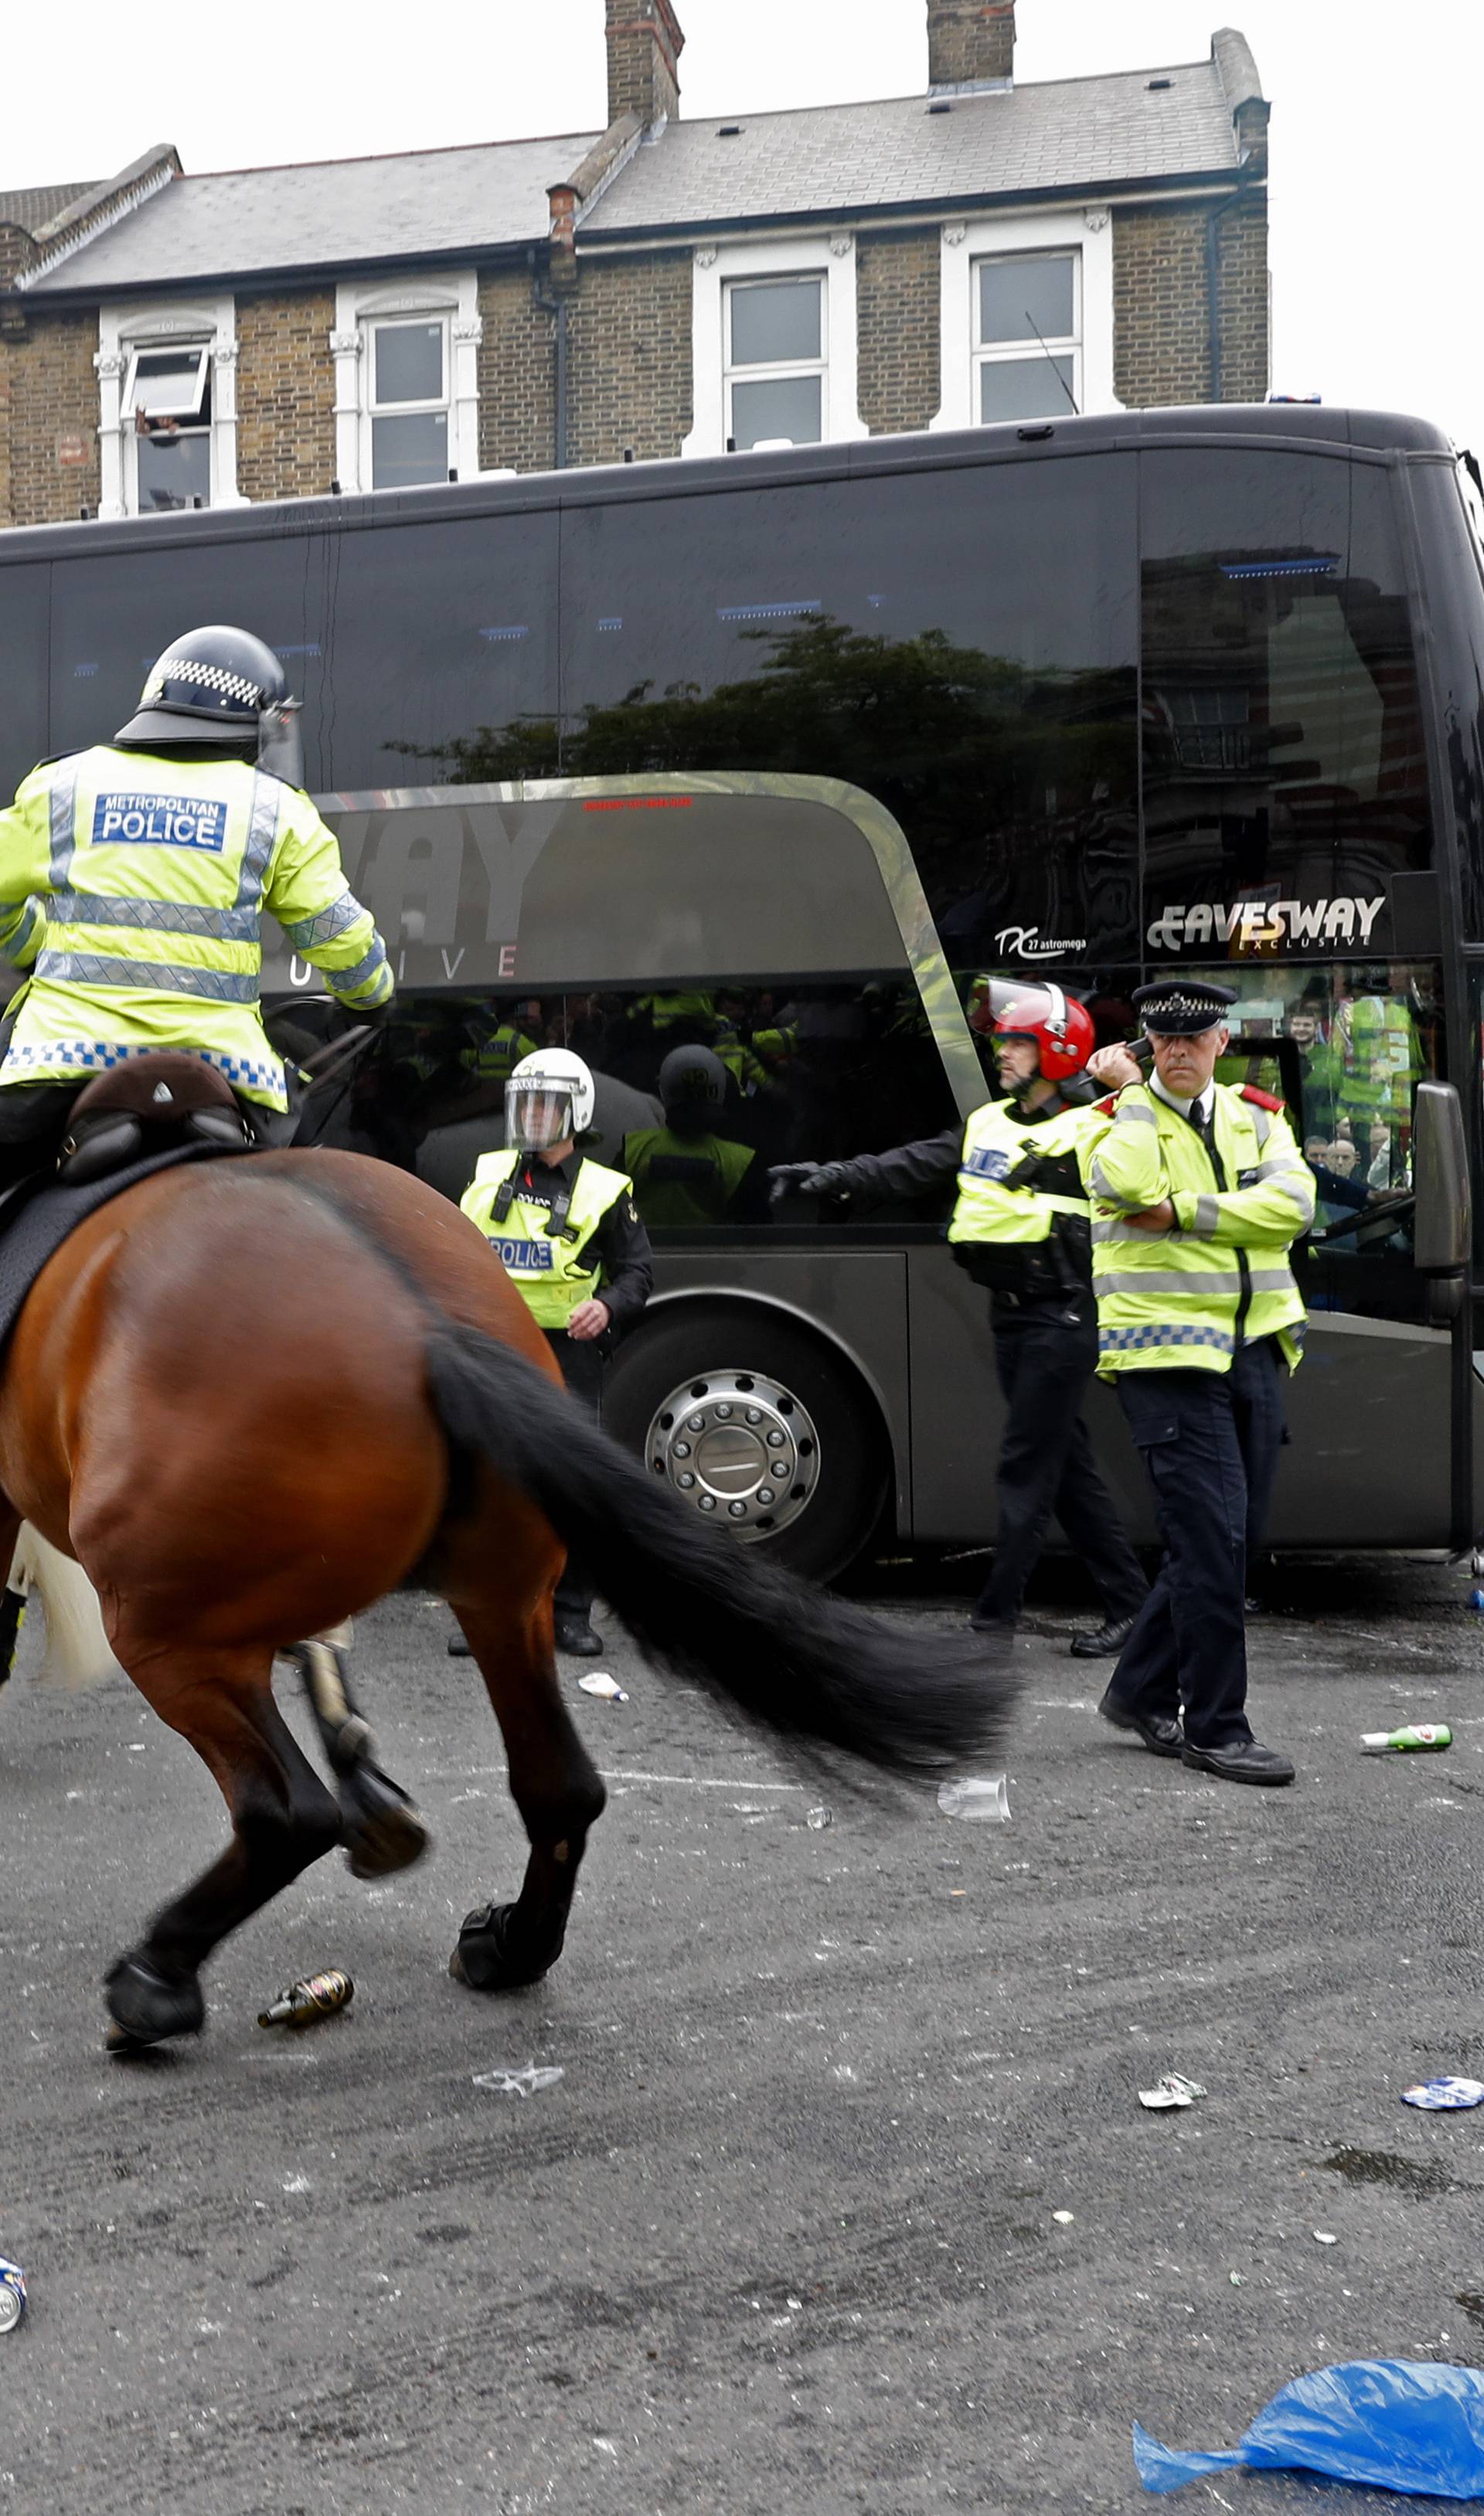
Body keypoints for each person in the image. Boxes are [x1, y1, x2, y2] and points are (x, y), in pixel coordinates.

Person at [769, 984, 1148, 1656]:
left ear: (1056, 1050)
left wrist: (1132, 1086)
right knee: (1063, 1465)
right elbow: (914, 1164)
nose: (1001, 1052)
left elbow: (1148, 1176)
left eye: (1016, 1042)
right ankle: (1133, 1606)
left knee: (1026, 1467)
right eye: (1002, 1040)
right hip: (1011, 1317)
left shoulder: (1097, 1127)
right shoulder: (989, 1122)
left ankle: (992, 1623)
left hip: (1060, 1318)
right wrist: (832, 1175)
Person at [0, 624, 393, 1180]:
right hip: (226, 1068)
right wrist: (370, 997)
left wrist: (31, 944)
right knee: (318, 1190)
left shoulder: (64, 785)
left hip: (61, 1062)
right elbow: (340, 937)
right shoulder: (276, 810)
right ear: (253, 725)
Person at [1086, 979, 1314, 1786]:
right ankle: (1215, 1728)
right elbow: (1129, 1189)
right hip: (1169, 1360)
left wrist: (1186, 1214)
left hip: (1254, 1351)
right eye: (1163, 1039)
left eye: (1196, 1037)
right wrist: (1133, 1098)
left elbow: (1292, 1205)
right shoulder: (1116, 1123)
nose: (1179, 1050)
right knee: (1212, 1543)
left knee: (1223, 1541)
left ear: (1223, 1041)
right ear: (1148, 1045)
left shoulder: (1260, 1114)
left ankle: (1138, 1690)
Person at [455, 1048, 652, 1656]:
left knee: (570, 1484)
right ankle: (489, 1610)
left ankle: (569, 1613)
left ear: (577, 1113)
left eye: (546, 1104)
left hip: (568, 1351)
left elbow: (639, 1271)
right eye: (525, 1103)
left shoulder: (606, 1189)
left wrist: (609, 1306)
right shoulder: (486, 1171)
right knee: (486, 1484)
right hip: (493, 1344)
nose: (534, 1116)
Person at [621, 1045, 767, 1227]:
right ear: (721, 1090)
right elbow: (755, 1237)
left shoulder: (631, 1149)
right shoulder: (740, 1162)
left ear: (663, 1089)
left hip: (642, 1252)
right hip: (714, 1254)